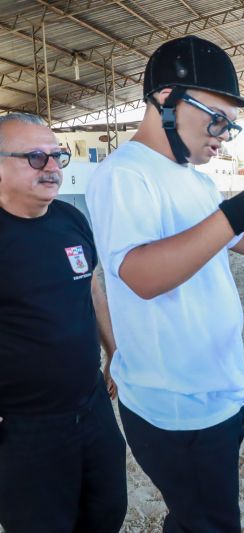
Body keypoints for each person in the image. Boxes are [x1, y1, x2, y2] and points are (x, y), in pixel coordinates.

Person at [86, 36, 244, 532]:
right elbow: (140, 276)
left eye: (230, 123)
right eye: (217, 118)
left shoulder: (195, 178)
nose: (224, 134)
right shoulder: (124, 175)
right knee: (209, 522)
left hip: (217, 388)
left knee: (197, 518)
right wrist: (229, 216)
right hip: (175, 402)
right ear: (166, 99)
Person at [0, 113, 127, 532]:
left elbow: (92, 289)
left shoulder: (70, 220)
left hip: (91, 407)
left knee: (108, 511)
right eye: (36, 157)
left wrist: (113, 351)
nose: (53, 167)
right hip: (23, 427)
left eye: (58, 155)